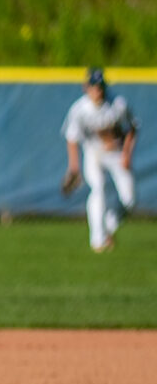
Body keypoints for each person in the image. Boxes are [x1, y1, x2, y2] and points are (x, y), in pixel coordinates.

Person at [61, 67, 138, 252]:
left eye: (100, 85)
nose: (98, 90)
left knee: (129, 199)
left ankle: (108, 227)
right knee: (98, 188)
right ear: (86, 87)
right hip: (93, 153)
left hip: (116, 154)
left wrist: (127, 154)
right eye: (94, 86)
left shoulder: (117, 104)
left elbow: (132, 129)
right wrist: (74, 167)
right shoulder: (79, 109)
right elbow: (71, 138)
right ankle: (98, 239)